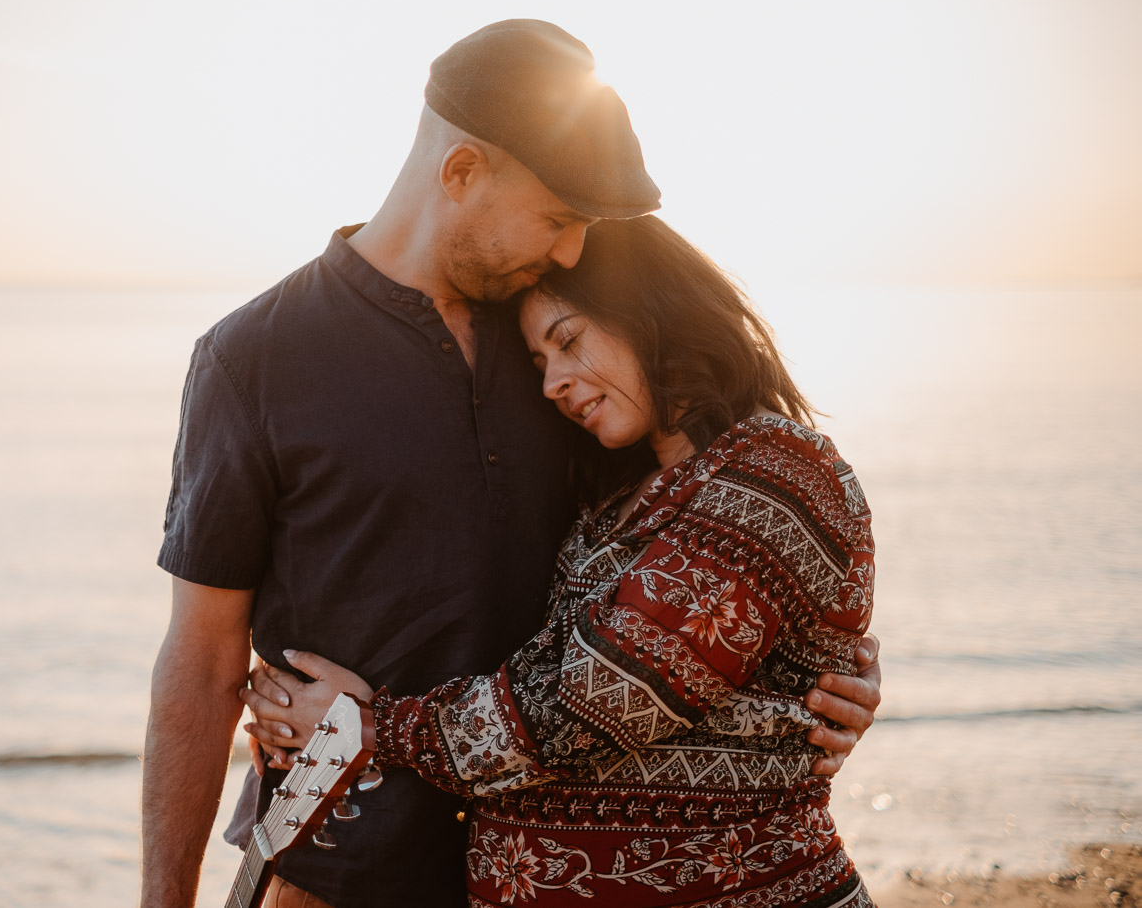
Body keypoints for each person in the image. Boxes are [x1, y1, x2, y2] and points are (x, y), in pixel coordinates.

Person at [143, 20, 881, 908]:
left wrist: (807, 672)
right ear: (461, 172)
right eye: (559, 219)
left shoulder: (573, 334)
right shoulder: (253, 359)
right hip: (339, 864)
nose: (572, 251)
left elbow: (686, 561)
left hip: (553, 880)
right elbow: (201, 657)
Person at [243, 214, 877, 907]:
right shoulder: (617, 497)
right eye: (539, 364)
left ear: (653, 310)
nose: (552, 385)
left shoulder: (777, 471)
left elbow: (602, 701)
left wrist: (371, 730)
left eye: (569, 341)